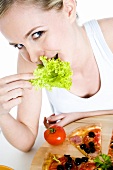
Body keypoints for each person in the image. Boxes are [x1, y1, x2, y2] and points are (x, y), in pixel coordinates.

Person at [0, 0, 113, 152]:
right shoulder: (30, 62)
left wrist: (83, 115)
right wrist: (2, 114)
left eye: (37, 34)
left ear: (68, 9)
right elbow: (26, 141)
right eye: (19, 45)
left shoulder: (110, 35)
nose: (33, 57)